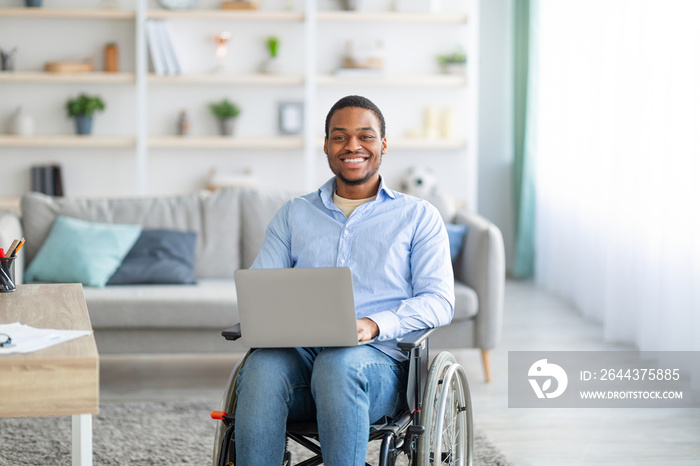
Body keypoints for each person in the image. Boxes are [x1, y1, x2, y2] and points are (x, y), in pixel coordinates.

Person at [234, 95, 454, 466]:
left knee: (339, 365)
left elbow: (440, 301)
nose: (352, 146)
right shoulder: (294, 214)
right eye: (340, 137)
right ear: (326, 146)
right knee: (259, 369)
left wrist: (372, 325)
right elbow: (262, 286)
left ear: (383, 145)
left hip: (378, 368)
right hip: (302, 360)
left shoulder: (418, 216)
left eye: (365, 136)